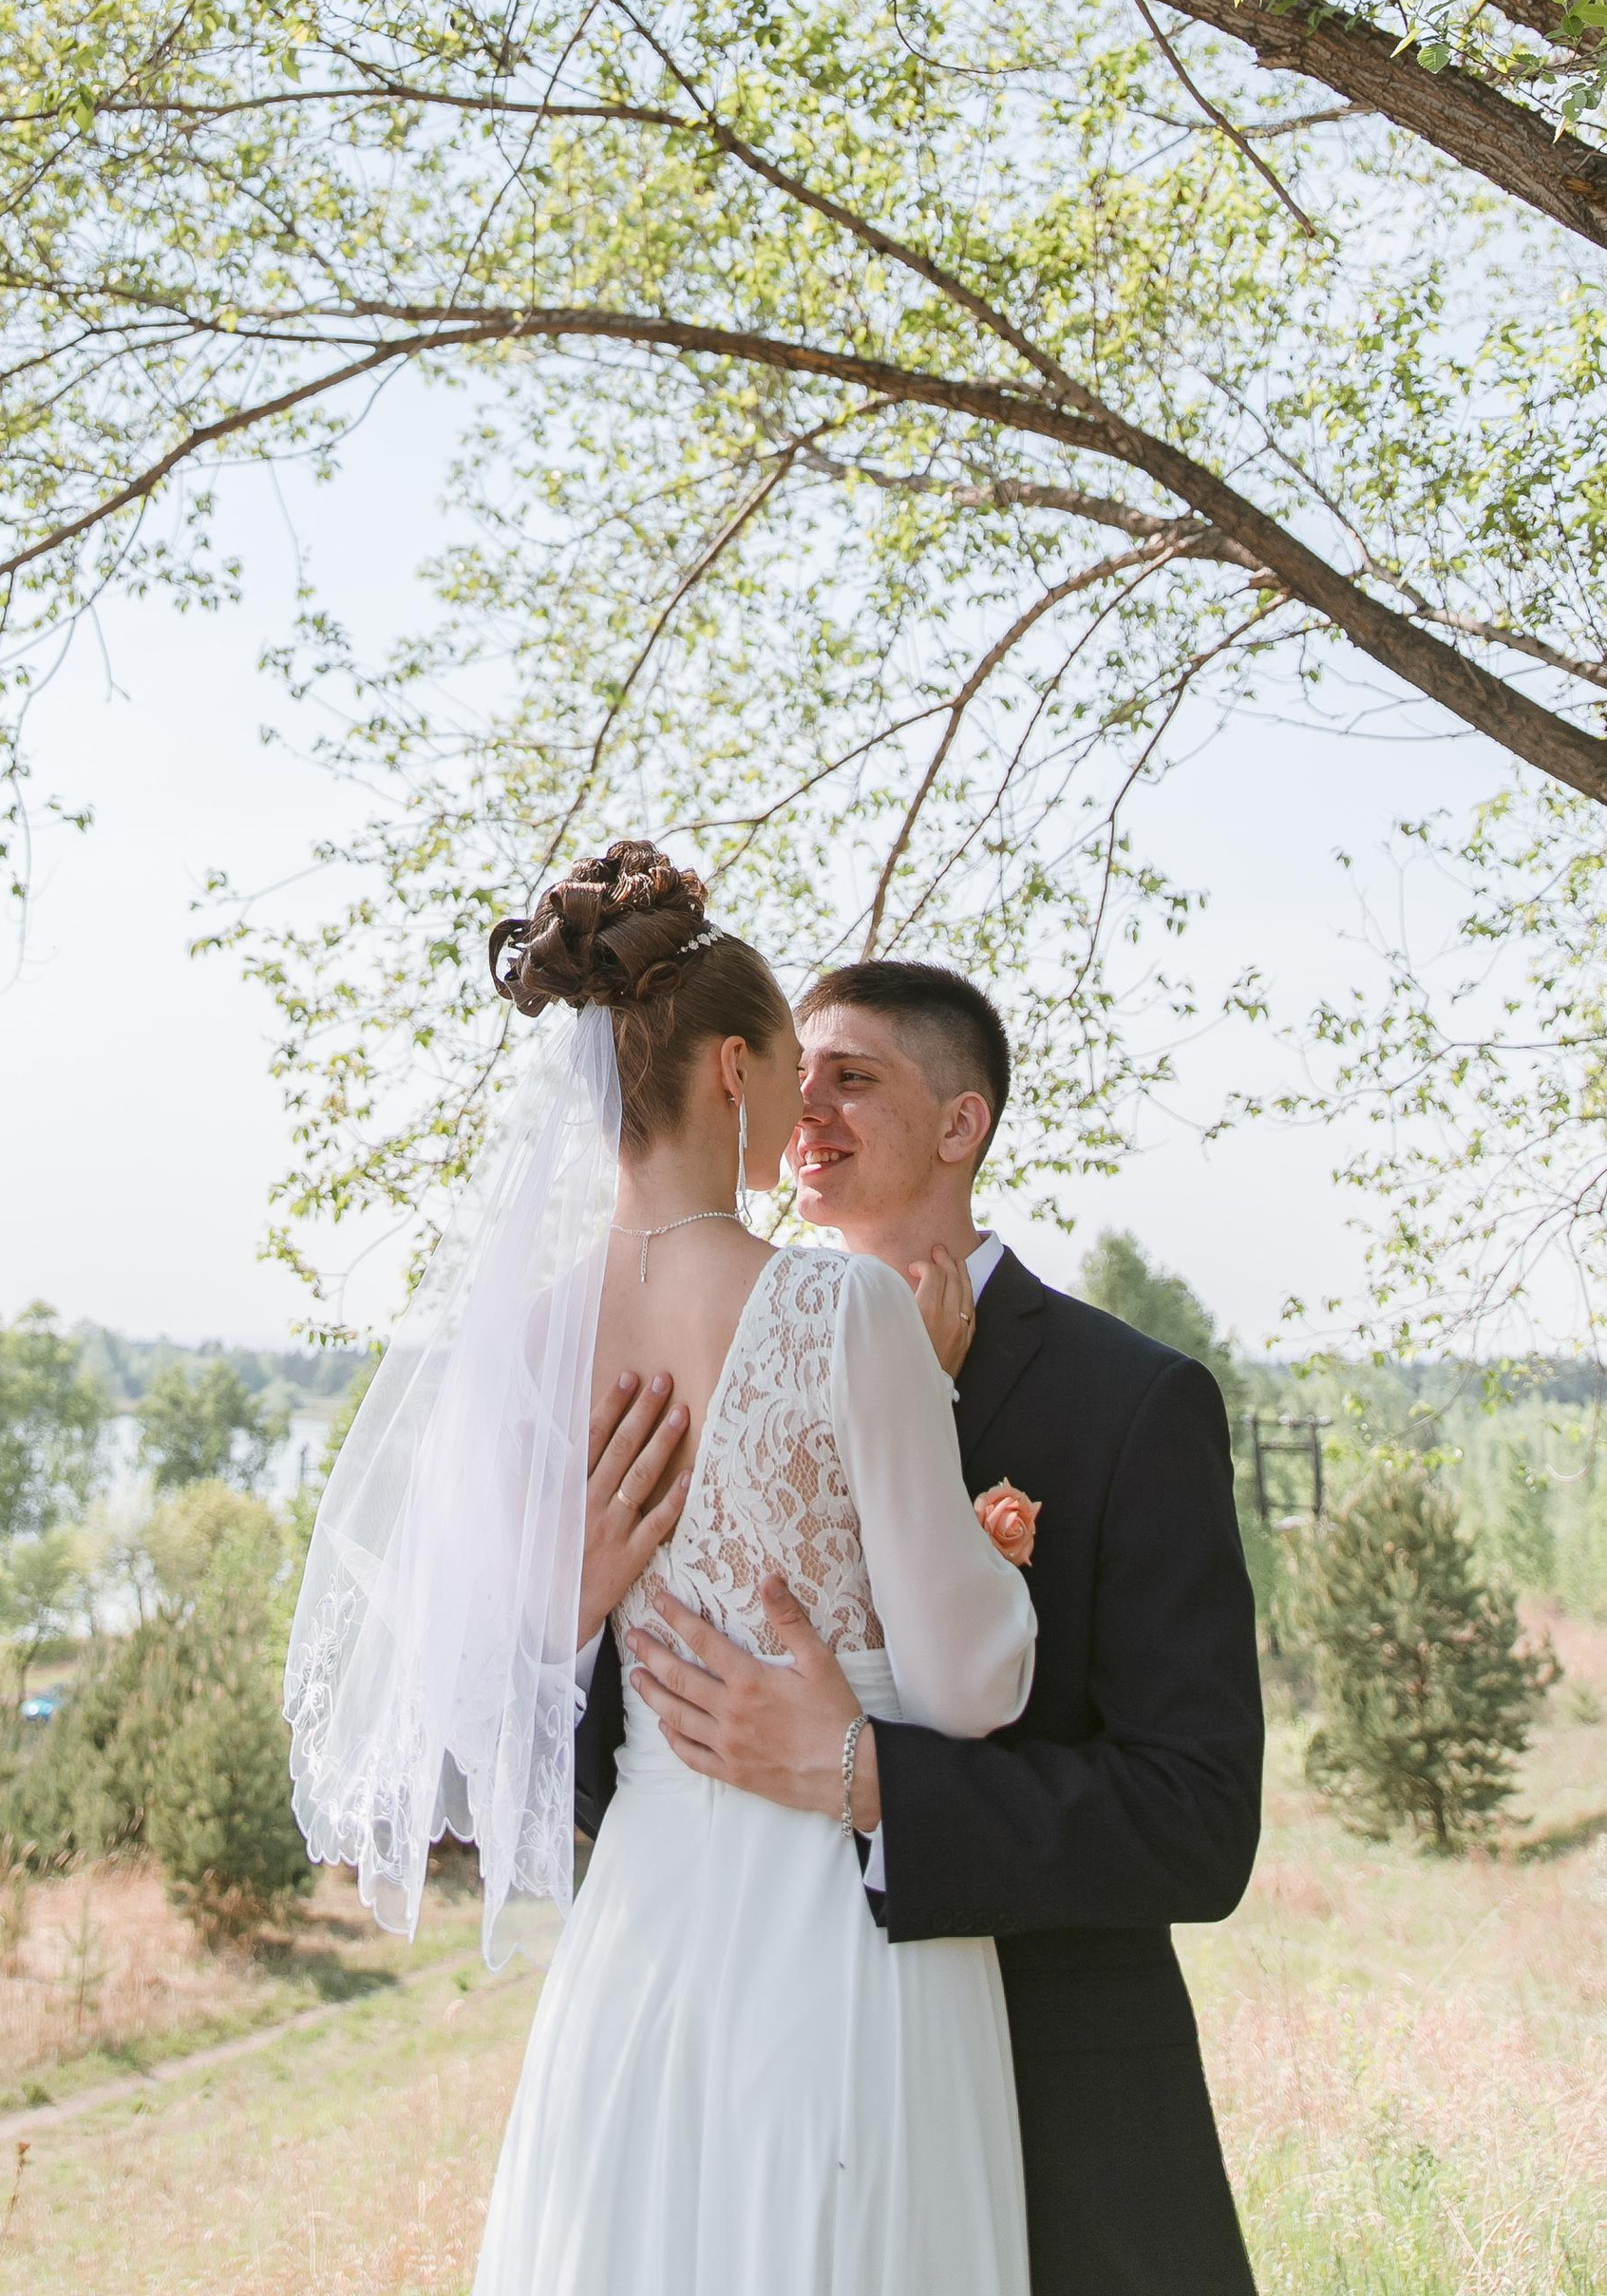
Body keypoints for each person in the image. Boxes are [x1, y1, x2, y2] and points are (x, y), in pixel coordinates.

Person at [285, 844, 1038, 2296]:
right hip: (838, 1925)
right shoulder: (838, 1307)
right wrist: (977, 1525)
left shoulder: (526, 1343)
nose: (809, 1111)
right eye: (797, 1077)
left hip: (643, 1925)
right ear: (735, 1071)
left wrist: (566, 1611)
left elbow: (480, 1686)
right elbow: (968, 1681)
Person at [614, 958, 1264, 2296]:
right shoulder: (697, 1372)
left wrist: (866, 1777)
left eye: (854, 1078)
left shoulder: (1132, 1404)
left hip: (1059, 2119)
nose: (808, 1104)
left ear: (961, 1125)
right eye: (802, 1072)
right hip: (760, 2094)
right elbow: (612, 1742)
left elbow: (1196, 1822)